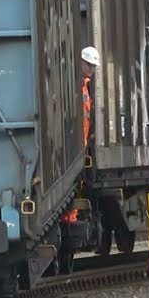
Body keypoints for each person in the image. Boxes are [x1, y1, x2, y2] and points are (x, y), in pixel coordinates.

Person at [62, 47, 100, 227]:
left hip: (81, 144)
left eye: (94, 66)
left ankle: (72, 218)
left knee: (81, 182)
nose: (92, 69)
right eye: (89, 65)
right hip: (75, 145)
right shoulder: (76, 86)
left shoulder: (84, 85)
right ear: (81, 63)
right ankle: (69, 219)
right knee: (75, 182)